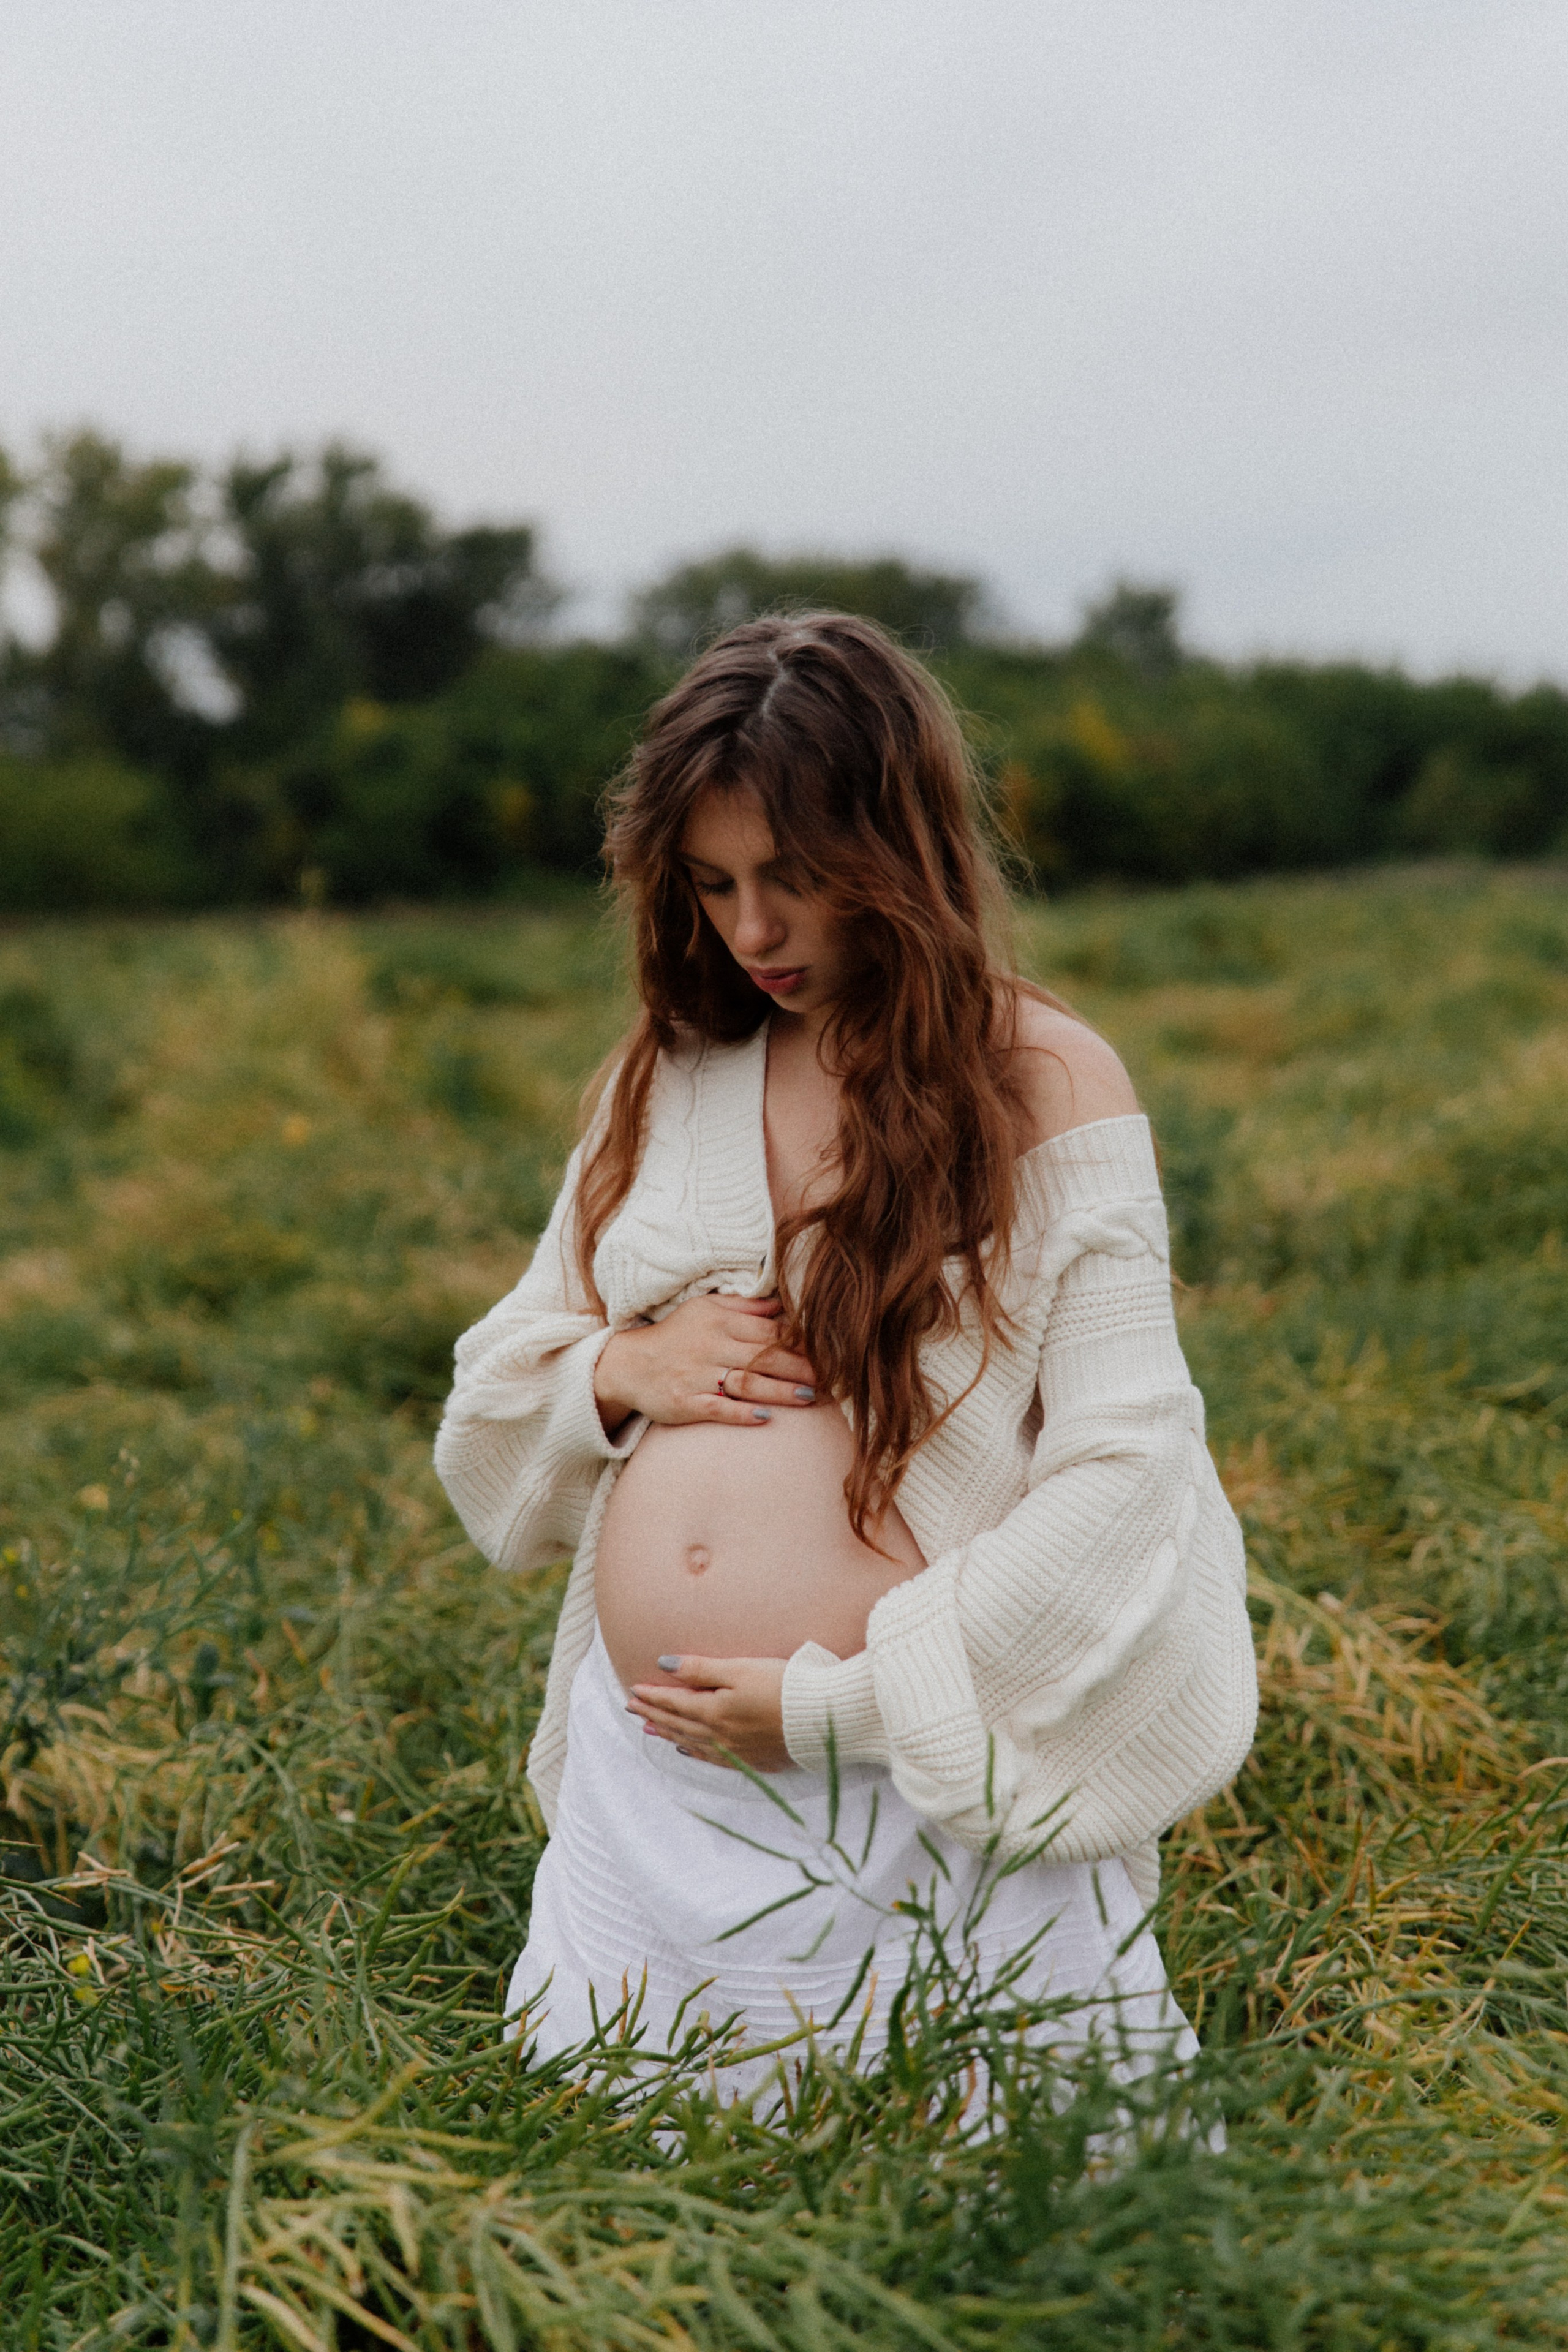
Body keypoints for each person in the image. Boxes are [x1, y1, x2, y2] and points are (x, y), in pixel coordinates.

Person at [434, 613, 1257, 2105]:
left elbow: (1128, 1470)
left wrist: (842, 1707)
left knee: (976, 2192)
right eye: (711, 885)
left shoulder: (1043, 1078)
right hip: (652, 1790)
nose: (751, 932)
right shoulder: (666, 1076)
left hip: (921, 1782)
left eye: (792, 877)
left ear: (896, 851)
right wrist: (616, 1372)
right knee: (620, 2202)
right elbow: (498, 1381)